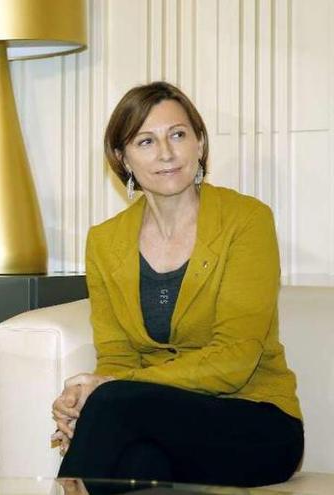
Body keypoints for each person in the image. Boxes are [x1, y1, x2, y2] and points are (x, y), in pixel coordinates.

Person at [51, 81, 303, 487]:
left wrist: (108, 391)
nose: (166, 153)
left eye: (178, 135)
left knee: (111, 404)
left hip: (254, 423)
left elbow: (235, 360)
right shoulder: (105, 240)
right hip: (155, 423)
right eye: (146, 141)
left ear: (199, 144)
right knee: (139, 465)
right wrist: (104, 392)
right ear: (123, 158)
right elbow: (116, 355)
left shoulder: (246, 220)